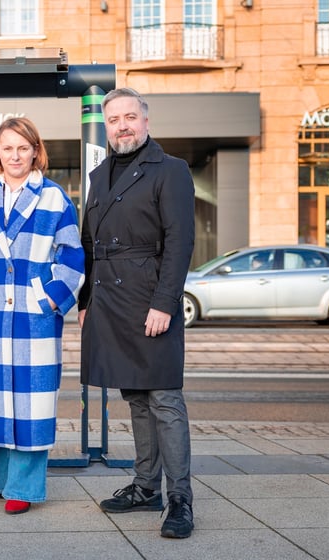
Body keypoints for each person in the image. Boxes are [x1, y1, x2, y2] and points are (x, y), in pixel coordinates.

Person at [77, 87, 196, 539]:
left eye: (130, 117)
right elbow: (89, 244)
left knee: (164, 399)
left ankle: (180, 498)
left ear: (146, 120)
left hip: (150, 299)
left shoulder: (171, 170)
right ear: (106, 127)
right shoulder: (99, 175)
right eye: (114, 120)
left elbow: (180, 241)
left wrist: (164, 303)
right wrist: (86, 302)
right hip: (110, 301)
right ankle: (146, 487)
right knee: (136, 398)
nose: (122, 126)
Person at [0, 117, 85, 515]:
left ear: (35, 151)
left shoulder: (55, 199)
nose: (15, 156)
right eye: (7, 148)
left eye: (23, 148)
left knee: (31, 401)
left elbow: (72, 259)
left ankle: (24, 486)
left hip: (33, 316)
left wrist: (49, 301)